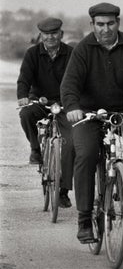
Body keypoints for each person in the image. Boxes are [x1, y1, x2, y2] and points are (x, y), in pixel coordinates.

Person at [60, 2, 123, 243]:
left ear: (118, 22)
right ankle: (84, 218)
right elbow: (70, 83)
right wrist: (73, 108)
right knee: (85, 155)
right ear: (92, 25)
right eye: (100, 24)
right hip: (89, 113)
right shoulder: (84, 49)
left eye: (110, 23)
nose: (105, 29)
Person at [17, 17, 75, 208]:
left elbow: (79, 79)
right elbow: (24, 78)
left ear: (61, 34)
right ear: (40, 35)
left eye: (54, 33)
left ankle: (64, 191)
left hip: (64, 103)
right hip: (40, 101)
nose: (50, 37)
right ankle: (35, 149)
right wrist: (23, 96)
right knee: (26, 114)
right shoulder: (32, 54)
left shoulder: (72, 54)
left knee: (71, 143)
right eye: (46, 34)